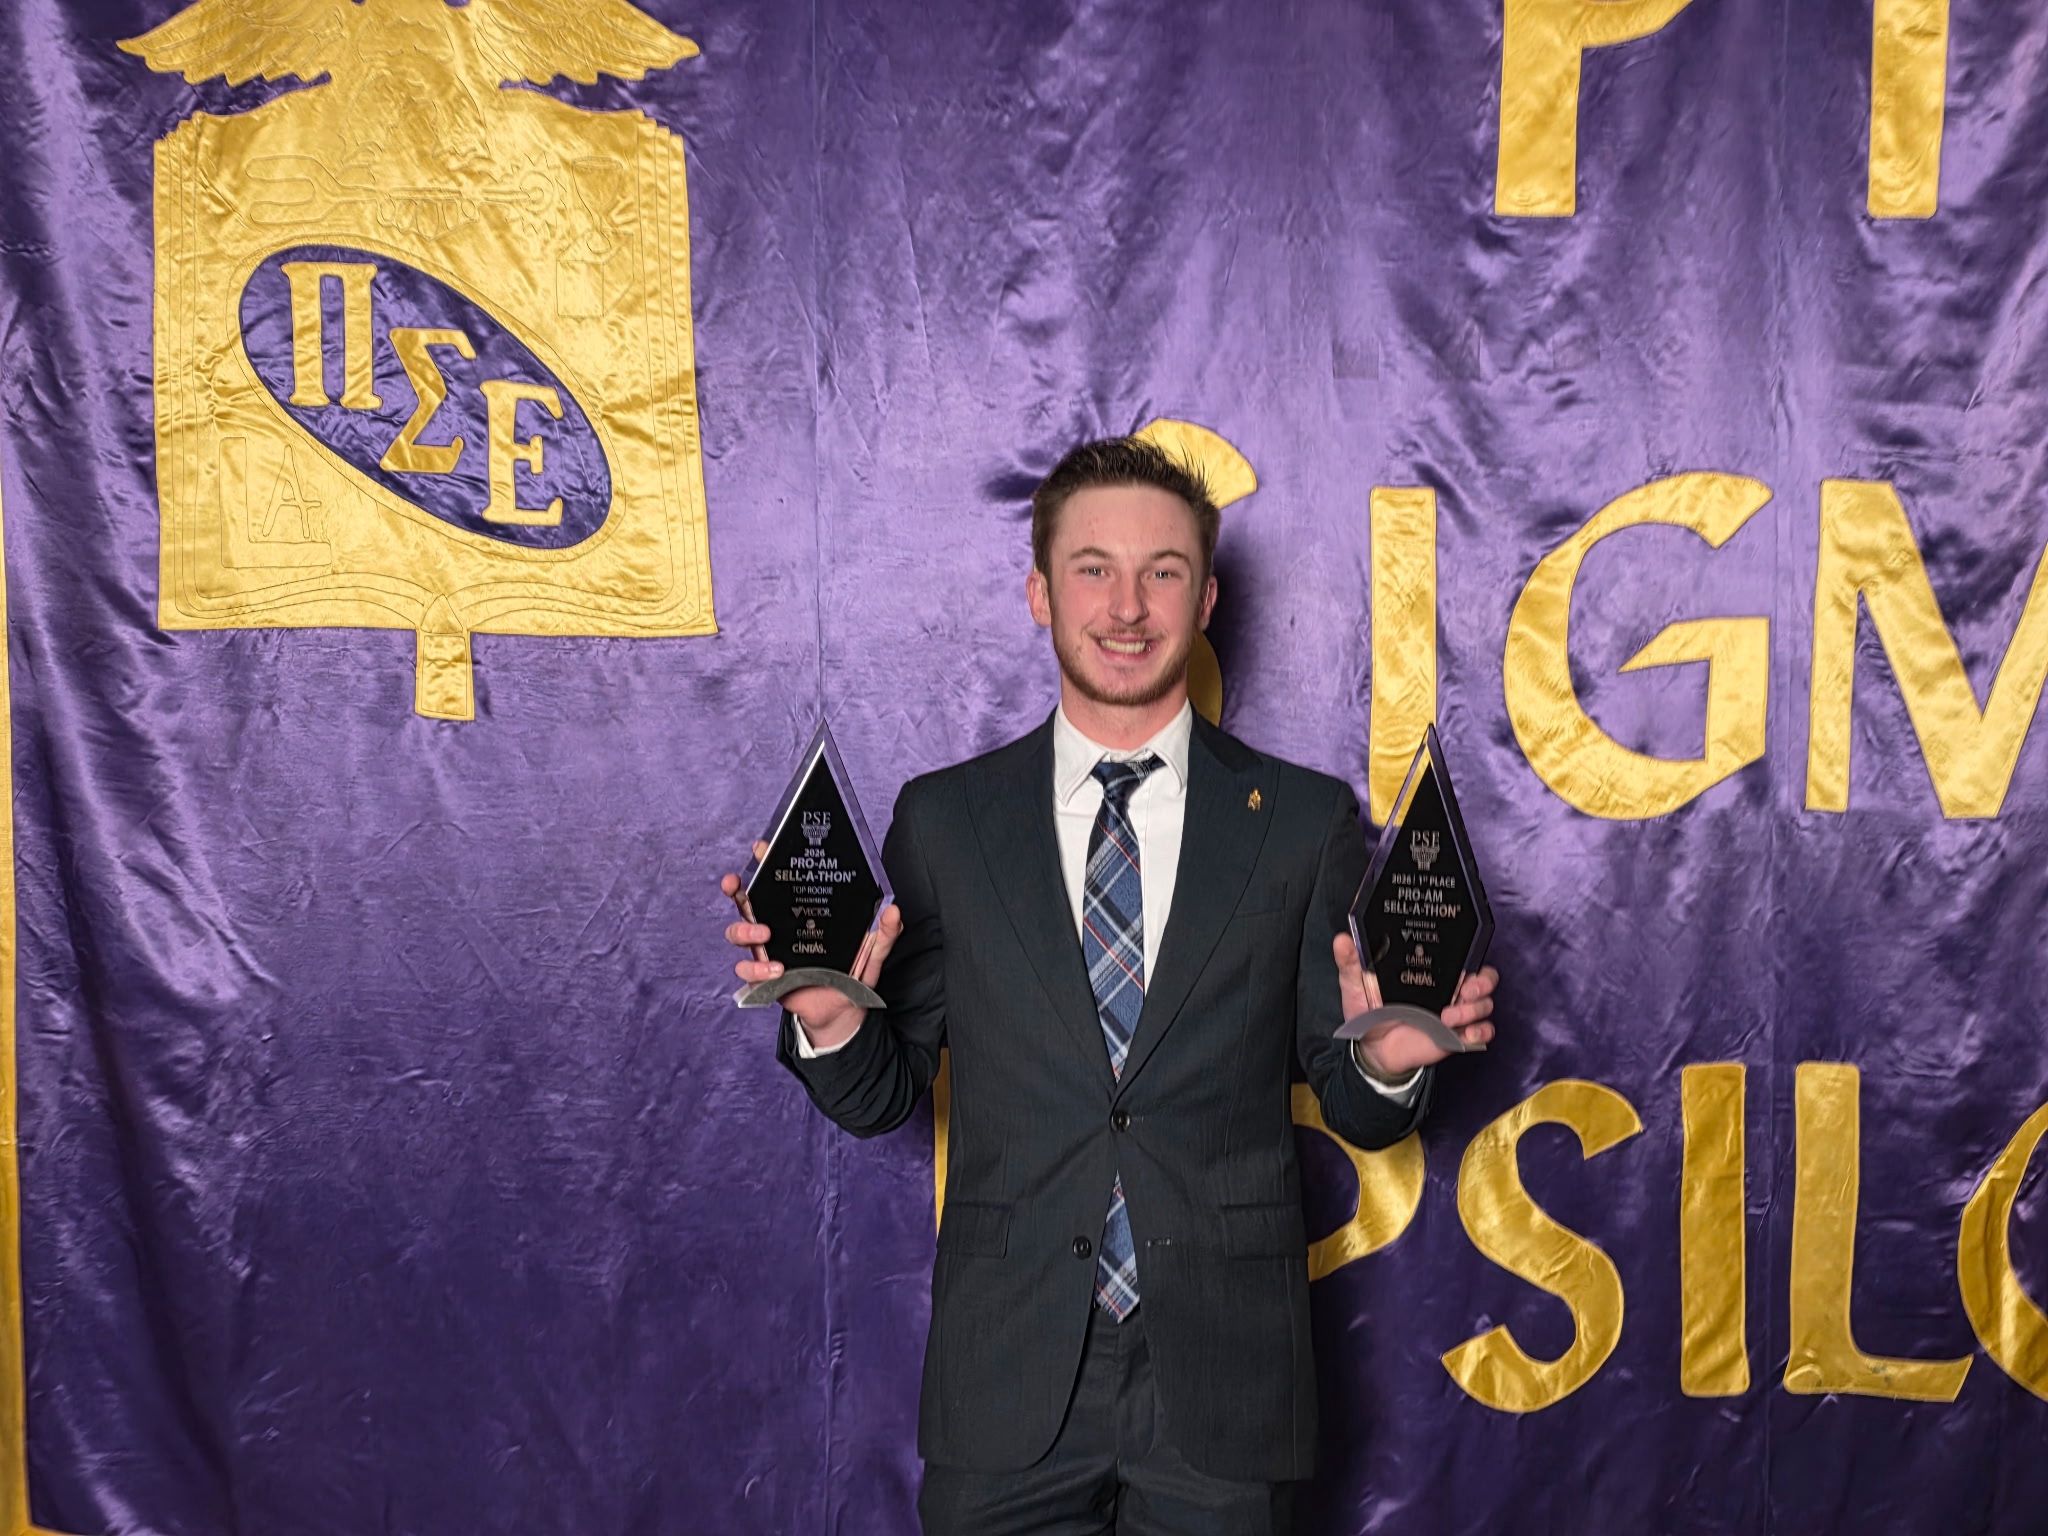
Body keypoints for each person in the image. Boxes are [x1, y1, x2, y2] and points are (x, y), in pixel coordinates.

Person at [721, 437, 1498, 1536]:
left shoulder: (1299, 824)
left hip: (1224, 1386)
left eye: (1162, 571)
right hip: (1009, 1380)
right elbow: (882, 1096)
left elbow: (1355, 1098)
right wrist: (837, 1023)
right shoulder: (947, 823)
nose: (1126, 606)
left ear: (1206, 595)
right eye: (1092, 568)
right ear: (1039, 593)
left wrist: (1386, 1060)